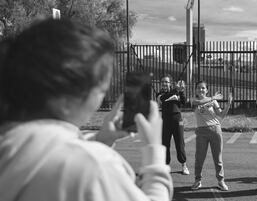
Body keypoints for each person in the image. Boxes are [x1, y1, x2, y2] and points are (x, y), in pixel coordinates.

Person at [0, 18, 173, 201]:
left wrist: (101, 140)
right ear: (67, 97)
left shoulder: (9, 143)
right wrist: (154, 152)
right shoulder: (93, 166)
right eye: (101, 91)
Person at [190, 81, 232, 191]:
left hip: (215, 130)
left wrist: (228, 105)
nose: (201, 90)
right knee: (199, 158)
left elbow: (221, 115)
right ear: (195, 90)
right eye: (198, 88)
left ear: (207, 90)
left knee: (217, 158)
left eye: (203, 88)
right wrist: (213, 98)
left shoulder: (213, 101)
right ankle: (197, 180)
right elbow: (199, 102)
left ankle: (221, 181)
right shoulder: (193, 100)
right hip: (201, 132)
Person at [156, 74, 189, 175]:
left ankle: (184, 165)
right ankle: (166, 165)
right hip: (165, 121)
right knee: (165, 144)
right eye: (162, 82)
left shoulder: (177, 92)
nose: (164, 84)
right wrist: (176, 90)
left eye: (166, 82)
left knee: (180, 143)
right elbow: (163, 99)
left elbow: (183, 102)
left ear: (170, 83)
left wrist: (181, 91)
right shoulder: (159, 94)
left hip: (177, 120)